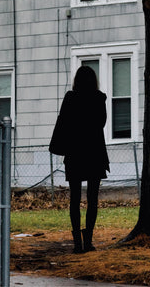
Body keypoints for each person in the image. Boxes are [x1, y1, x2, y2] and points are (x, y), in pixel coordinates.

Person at [54, 66, 109, 253]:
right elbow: (101, 123)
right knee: (92, 199)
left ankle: (77, 243)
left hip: (75, 153)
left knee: (75, 198)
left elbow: (62, 122)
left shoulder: (70, 98)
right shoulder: (99, 98)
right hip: (94, 152)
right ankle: (89, 241)